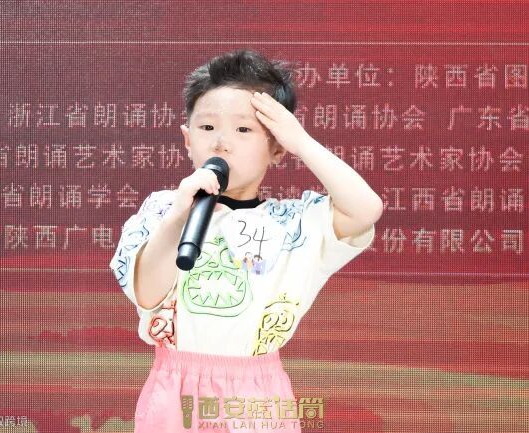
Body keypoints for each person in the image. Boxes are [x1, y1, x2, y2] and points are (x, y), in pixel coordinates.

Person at [109, 49, 382, 433]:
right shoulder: (162, 210)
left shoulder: (294, 224)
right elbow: (147, 292)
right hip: (175, 391)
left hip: (256, 395)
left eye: (243, 130)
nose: (221, 143)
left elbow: (365, 209)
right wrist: (178, 218)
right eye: (207, 128)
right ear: (187, 139)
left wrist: (303, 143)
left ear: (277, 146)